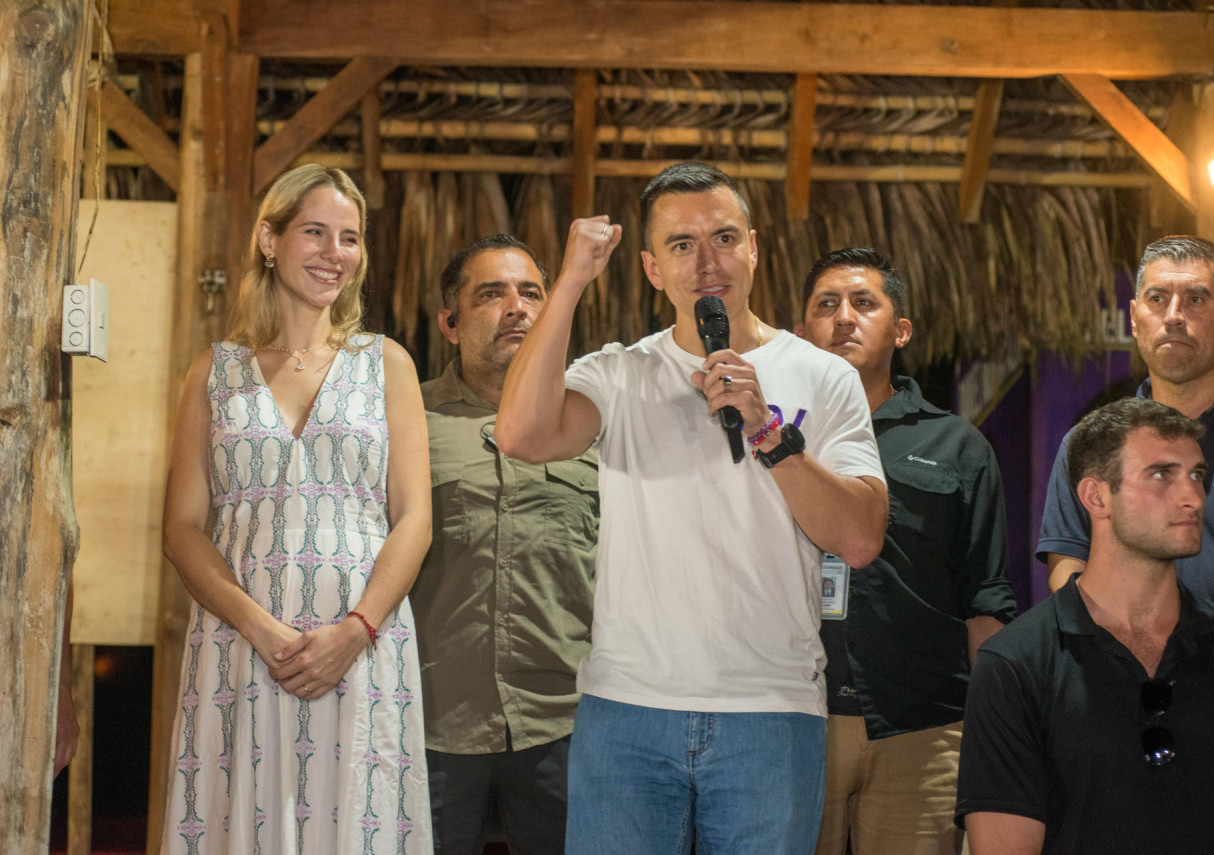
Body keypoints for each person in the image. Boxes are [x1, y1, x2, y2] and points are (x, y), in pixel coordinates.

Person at [494, 161, 888, 854]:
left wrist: (768, 428)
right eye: (682, 244)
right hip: (628, 711)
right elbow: (522, 434)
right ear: (651, 268)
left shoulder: (824, 377)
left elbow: (859, 538)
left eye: (724, 237)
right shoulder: (618, 373)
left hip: (770, 711)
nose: (708, 262)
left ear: (756, 248)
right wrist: (571, 281)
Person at [160, 164, 433, 853]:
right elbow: (183, 527)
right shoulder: (214, 370)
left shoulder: (386, 362)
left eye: (349, 238)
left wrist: (356, 629)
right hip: (241, 645)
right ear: (268, 238)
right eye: (315, 232)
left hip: (362, 648)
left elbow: (415, 518)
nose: (334, 253)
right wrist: (259, 629)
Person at [957, 397, 1214, 855]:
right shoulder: (1014, 665)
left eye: (1197, 475)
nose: (1193, 496)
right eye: (1161, 474)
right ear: (1095, 496)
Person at [795, 247, 1017, 855]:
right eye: (826, 305)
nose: (844, 317)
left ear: (901, 330)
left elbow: (986, 599)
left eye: (864, 303)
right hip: (790, 721)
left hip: (923, 727)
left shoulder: (957, 446)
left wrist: (994, 733)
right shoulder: (771, 433)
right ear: (799, 331)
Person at [411, 235, 598, 854]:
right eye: (491, 294)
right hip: (434, 723)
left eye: (532, 293)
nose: (517, 308)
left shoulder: (595, 419)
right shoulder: (404, 421)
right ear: (451, 322)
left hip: (566, 721)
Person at [1038, 236, 1214, 631]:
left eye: (1196, 299)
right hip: (1125, 682)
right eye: (1157, 299)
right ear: (1134, 318)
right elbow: (1067, 572)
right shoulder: (1088, 443)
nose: (1173, 315)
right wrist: (1131, 659)